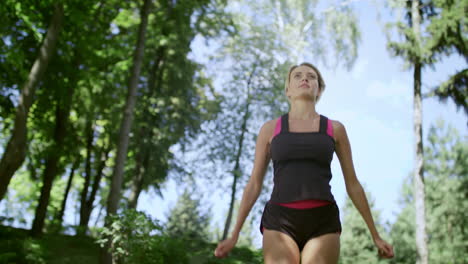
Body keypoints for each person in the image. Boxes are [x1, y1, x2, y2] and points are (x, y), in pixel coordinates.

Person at [214, 62, 394, 263]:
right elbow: (254, 184)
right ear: (288, 90)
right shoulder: (270, 129)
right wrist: (234, 234)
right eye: (297, 76)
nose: (305, 78)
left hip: (323, 221)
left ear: (319, 90)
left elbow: (352, 184)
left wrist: (375, 235)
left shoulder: (335, 129)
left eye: (312, 76)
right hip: (279, 220)